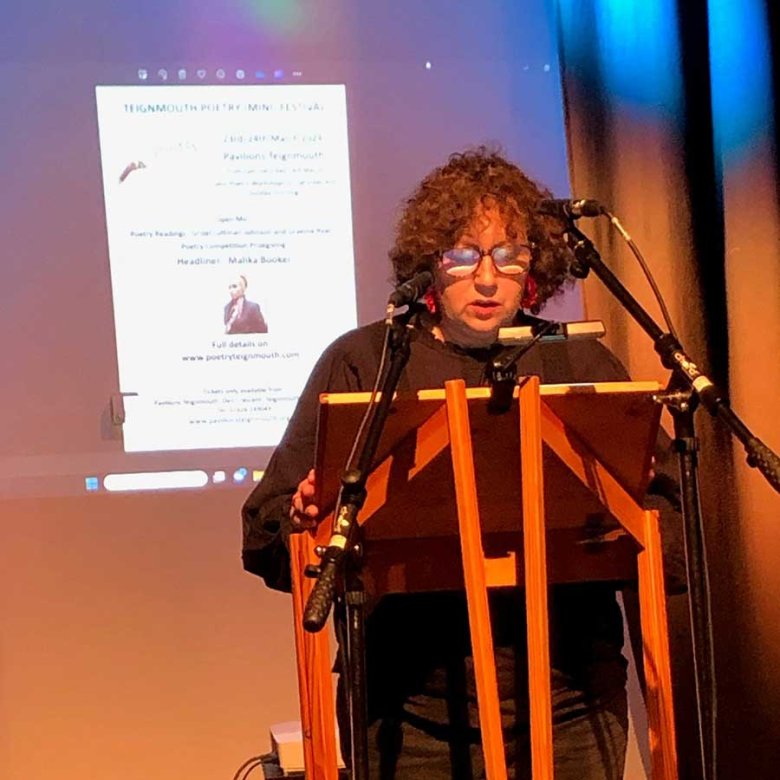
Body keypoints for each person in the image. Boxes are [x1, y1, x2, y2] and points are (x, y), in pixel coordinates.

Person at [242, 148, 678, 779]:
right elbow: (265, 527)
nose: (485, 277)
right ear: (428, 263)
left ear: (534, 265)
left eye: (507, 254)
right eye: (463, 254)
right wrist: (305, 516)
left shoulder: (578, 365)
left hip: (571, 709)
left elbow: (665, 519)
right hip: (406, 716)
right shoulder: (368, 363)